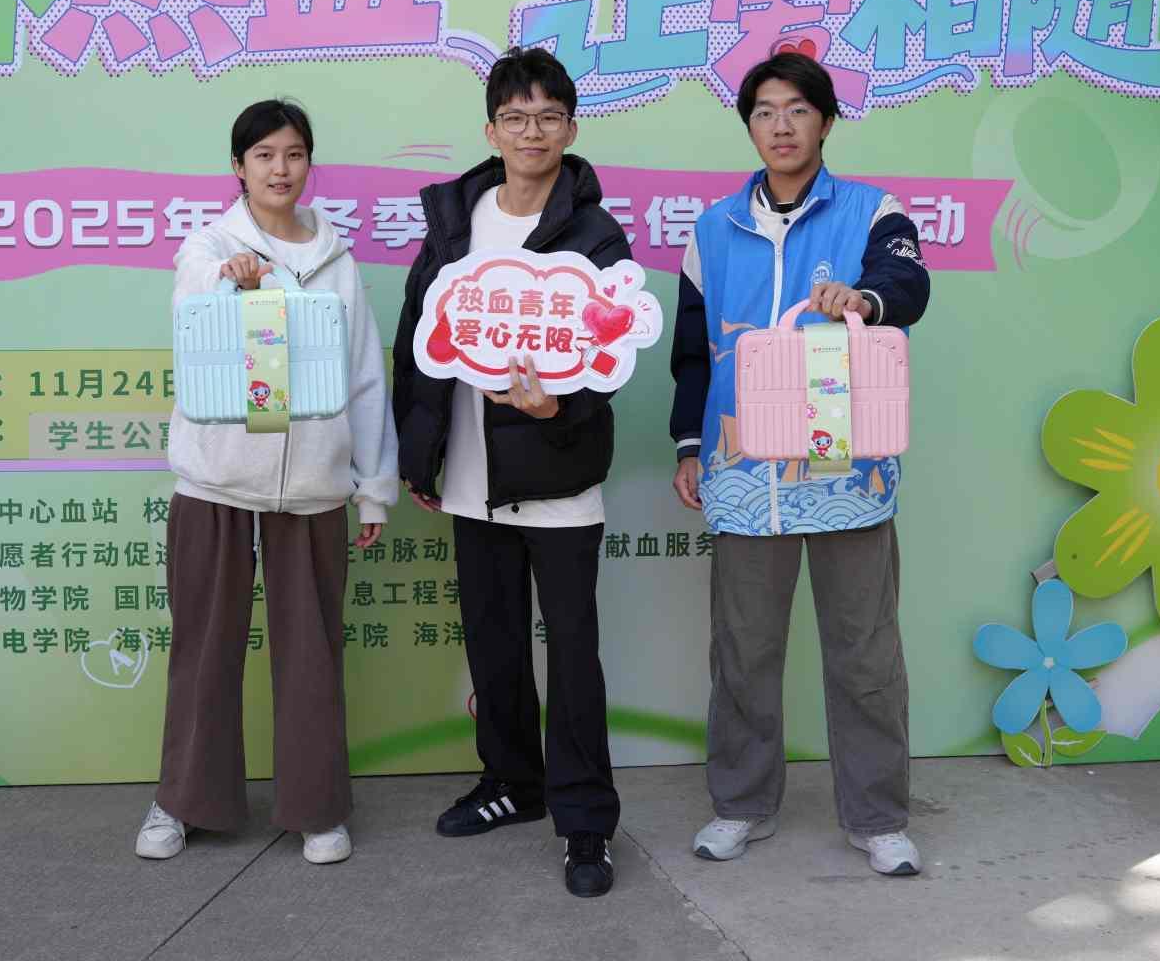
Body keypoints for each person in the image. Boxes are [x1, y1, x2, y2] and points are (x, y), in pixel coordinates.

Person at [667, 51, 931, 875]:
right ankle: (742, 806)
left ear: (826, 120)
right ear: (748, 125)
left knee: (865, 652)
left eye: (797, 110)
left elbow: (907, 283)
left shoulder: (871, 211)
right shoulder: (713, 229)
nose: (780, 126)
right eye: (764, 111)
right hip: (744, 473)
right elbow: (690, 353)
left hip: (848, 471)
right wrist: (688, 445)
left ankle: (878, 817)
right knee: (743, 652)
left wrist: (865, 299)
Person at [391, 48, 629, 898]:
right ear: (491, 130)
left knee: (573, 657)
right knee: (493, 646)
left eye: (549, 117)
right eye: (516, 118)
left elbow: (611, 357)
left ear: (571, 128)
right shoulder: (458, 219)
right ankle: (512, 784)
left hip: (559, 477)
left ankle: (586, 822)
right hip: (469, 472)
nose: (533, 133)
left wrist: (557, 406)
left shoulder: (594, 235)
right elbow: (417, 336)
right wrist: (418, 451)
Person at [138, 99, 398, 866]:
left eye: (293, 154)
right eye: (263, 156)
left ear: (309, 162)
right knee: (203, 651)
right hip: (216, 483)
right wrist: (235, 289)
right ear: (238, 167)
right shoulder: (211, 247)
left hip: (314, 486)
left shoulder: (338, 259)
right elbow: (195, 327)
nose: (280, 169)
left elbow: (364, 378)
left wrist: (373, 486)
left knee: (312, 654)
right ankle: (180, 803)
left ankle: (318, 809)